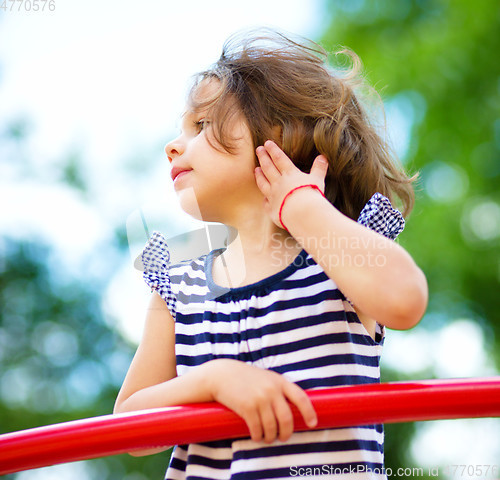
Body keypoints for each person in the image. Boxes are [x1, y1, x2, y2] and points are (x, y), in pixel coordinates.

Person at [114, 28, 428, 480]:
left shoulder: (337, 258)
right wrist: (212, 381)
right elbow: (128, 429)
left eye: (201, 126)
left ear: (280, 137)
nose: (174, 145)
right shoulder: (177, 284)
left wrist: (300, 206)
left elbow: (405, 300)